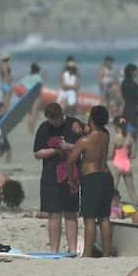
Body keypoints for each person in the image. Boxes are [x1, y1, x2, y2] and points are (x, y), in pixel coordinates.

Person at [33, 102, 83, 253]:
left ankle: (72, 250)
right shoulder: (44, 128)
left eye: (57, 121)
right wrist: (55, 151)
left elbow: (84, 146)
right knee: (54, 214)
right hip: (50, 175)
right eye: (51, 121)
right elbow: (37, 153)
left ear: (62, 115)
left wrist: (67, 146)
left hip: (71, 176)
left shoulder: (73, 124)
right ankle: (54, 251)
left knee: (71, 213)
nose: (54, 124)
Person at [66, 105, 114, 258]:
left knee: (90, 218)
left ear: (91, 119)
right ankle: (106, 254)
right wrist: (80, 126)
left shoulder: (84, 141)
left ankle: (87, 254)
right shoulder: (106, 134)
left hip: (92, 178)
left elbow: (70, 162)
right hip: (107, 177)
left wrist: (72, 181)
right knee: (105, 217)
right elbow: (91, 128)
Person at [109, 116, 138, 205]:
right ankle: (137, 210)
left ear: (116, 127)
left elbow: (110, 156)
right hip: (127, 165)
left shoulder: (115, 139)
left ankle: (111, 209)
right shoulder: (130, 139)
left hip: (117, 165)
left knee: (112, 190)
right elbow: (133, 155)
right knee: (131, 191)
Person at [120, 64, 138, 145]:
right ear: (132, 72)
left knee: (126, 132)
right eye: (136, 72)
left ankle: (124, 151)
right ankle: (132, 153)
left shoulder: (123, 84)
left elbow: (124, 97)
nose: (137, 73)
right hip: (134, 110)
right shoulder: (134, 85)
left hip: (126, 109)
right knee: (135, 134)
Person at [20, 63, 44, 134]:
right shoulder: (37, 77)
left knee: (30, 114)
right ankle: (32, 131)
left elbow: (21, 83)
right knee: (34, 115)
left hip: (28, 97)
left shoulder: (28, 77)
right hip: (35, 97)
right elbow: (39, 87)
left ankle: (30, 130)